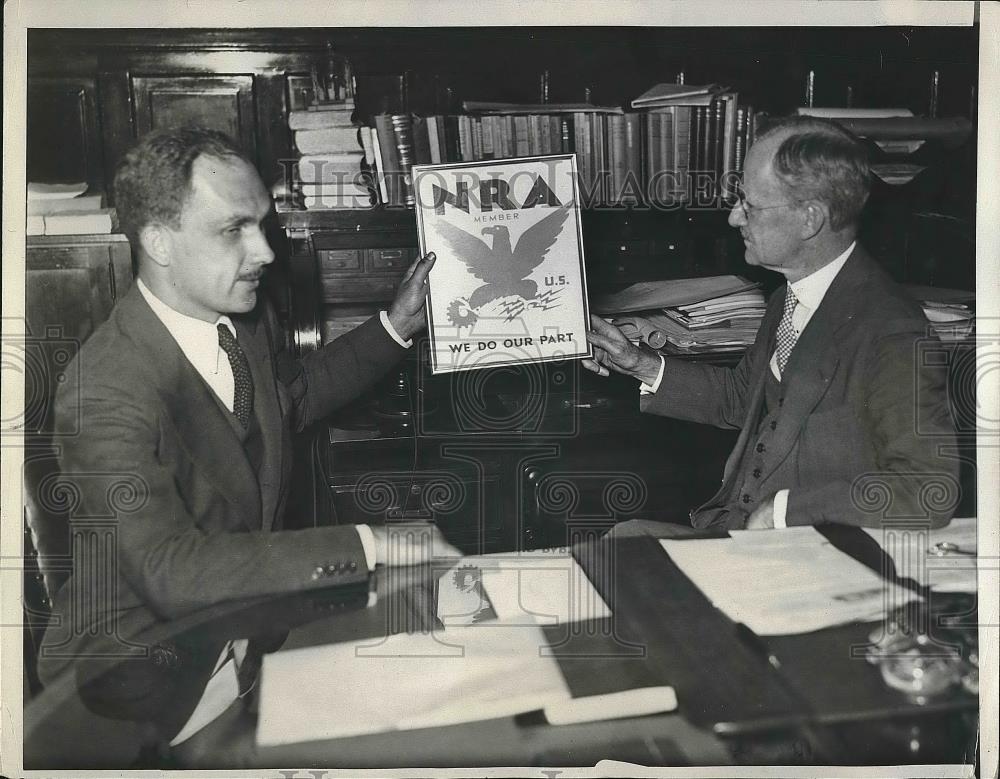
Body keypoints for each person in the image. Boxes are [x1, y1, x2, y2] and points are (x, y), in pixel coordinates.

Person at [37, 127, 457, 743]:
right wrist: (372, 545)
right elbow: (170, 570)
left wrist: (395, 326)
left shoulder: (241, 322)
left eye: (262, 225)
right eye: (234, 230)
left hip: (244, 635)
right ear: (158, 241)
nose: (264, 252)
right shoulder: (103, 388)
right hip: (134, 685)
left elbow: (292, 402)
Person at [585, 116, 959, 532]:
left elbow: (928, 490)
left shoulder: (891, 332)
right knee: (620, 543)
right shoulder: (791, 294)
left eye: (750, 204)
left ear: (809, 220)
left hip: (808, 561)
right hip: (739, 535)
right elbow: (744, 399)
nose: (733, 218)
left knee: (619, 553)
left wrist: (786, 511)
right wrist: (639, 363)